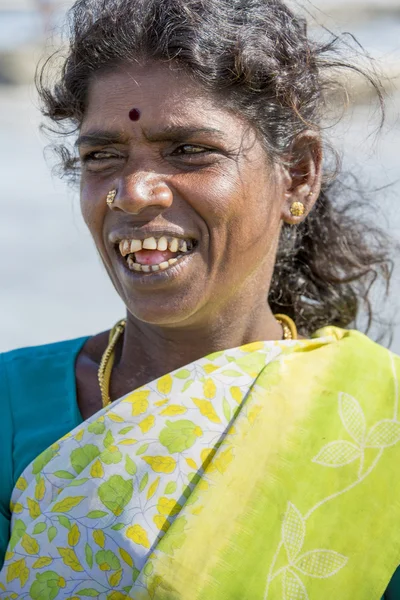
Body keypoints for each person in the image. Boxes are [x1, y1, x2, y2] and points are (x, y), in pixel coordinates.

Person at [0, 0, 399, 597]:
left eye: (189, 151)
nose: (132, 193)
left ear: (297, 175)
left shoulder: (375, 421)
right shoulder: (11, 405)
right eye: (101, 156)